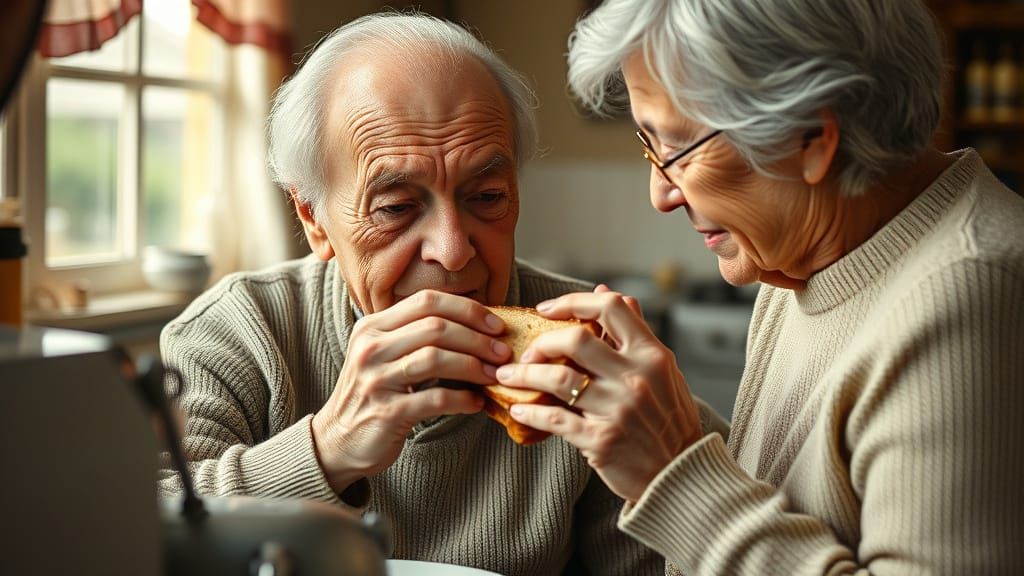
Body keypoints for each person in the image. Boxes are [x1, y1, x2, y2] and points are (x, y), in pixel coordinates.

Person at [495, 0, 1024, 573]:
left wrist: (672, 476)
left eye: (674, 148)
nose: (660, 194)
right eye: (647, 147)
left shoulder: (973, 296)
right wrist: (663, 426)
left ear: (811, 139)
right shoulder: (800, 258)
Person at [157, 11, 669, 576]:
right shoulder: (235, 334)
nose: (453, 251)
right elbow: (129, 531)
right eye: (397, 208)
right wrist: (327, 447)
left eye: (488, 196)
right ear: (314, 218)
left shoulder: (589, 353)